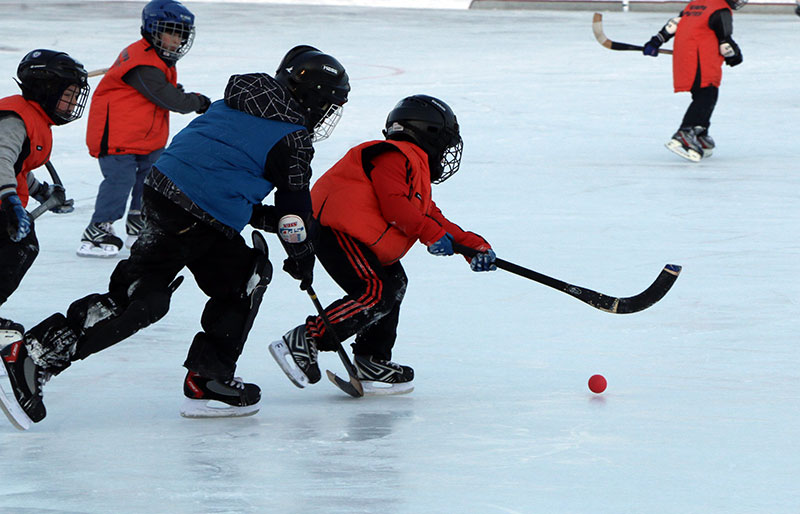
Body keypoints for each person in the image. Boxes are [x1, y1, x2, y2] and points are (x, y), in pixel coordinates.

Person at [0, 45, 350, 429]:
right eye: (329, 104)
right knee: (228, 283)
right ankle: (203, 379)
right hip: (199, 218)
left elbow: (213, 170)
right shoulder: (293, 138)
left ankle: (42, 353)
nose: (326, 115)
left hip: (163, 195)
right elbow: (294, 216)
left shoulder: (232, 101)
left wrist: (256, 215)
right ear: (312, 98)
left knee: (154, 293)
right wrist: (301, 258)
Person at [268, 94, 497, 396]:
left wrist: (473, 247)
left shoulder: (413, 169)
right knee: (376, 293)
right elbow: (396, 207)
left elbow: (429, 215)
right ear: (428, 133)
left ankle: (370, 359)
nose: (445, 152)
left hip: (358, 237)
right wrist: (429, 234)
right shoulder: (393, 155)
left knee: (394, 282)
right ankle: (306, 339)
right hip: (337, 230)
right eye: (445, 141)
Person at [79, 0, 210, 258]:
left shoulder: (157, 59)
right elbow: (168, 98)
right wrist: (197, 101)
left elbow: (160, 93)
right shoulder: (142, 63)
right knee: (121, 180)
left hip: (145, 137)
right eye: (170, 32)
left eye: (181, 34)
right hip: (118, 136)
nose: (176, 40)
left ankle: (138, 223)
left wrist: (177, 93)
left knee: (151, 179)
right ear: (152, 29)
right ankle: (97, 228)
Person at [0, 50, 89, 341]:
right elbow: (1, 160)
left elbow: (18, 167)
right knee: (19, 247)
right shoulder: (15, 119)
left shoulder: (33, 119)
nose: (74, 103)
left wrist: (40, 192)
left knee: (21, 246)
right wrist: (9, 201)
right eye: (70, 95)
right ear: (46, 89)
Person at [642, 0, 745, 162]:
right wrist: (735, 56)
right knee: (707, 94)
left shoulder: (696, 3)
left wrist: (656, 41)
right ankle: (686, 131)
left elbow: (674, 24)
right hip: (701, 57)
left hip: (685, 57)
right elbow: (725, 42)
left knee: (701, 93)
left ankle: (700, 131)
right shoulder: (721, 9)